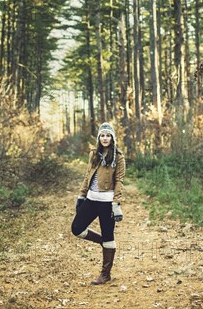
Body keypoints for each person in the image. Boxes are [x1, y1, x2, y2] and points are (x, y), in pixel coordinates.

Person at [71, 122, 125, 285]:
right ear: (99, 138)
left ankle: (105, 274)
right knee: (77, 228)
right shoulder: (94, 154)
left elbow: (119, 181)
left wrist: (116, 204)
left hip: (107, 202)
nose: (105, 138)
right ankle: (103, 242)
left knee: (109, 237)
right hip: (91, 199)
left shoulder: (118, 156)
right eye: (102, 135)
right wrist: (81, 196)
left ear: (112, 138)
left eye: (108, 135)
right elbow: (88, 175)